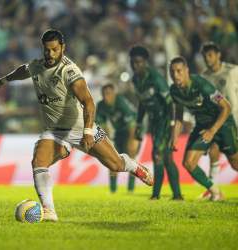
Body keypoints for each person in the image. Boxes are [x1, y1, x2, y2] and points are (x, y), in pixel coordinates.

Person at [0, 29, 153, 222]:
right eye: (46, 50)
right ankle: (49, 210)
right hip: (55, 132)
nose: (50, 54)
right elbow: (24, 70)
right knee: (38, 162)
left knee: (115, 165)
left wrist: (88, 131)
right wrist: (3, 80)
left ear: (63, 48)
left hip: (80, 128)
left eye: (54, 50)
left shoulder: (69, 71)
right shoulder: (37, 66)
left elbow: (89, 102)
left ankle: (134, 166)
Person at [169, 56, 238, 201]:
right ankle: (216, 193)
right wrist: (174, 137)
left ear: (187, 71)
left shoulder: (202, 85)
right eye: (172, 72)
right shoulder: (174, 91)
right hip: (202, 126)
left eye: (179, 71)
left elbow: (226, 107)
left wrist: (212, 131)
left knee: (235, 163)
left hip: (223, 124)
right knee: (188, 163)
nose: (175, 75)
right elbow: (179, 116)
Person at [129, 46, 183, 200]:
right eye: (133, 62)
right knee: (166, 158)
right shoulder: (135, 79)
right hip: (153, 121)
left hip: (165, 119)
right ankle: (177, 195)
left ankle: (155, 195)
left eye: (139, 62)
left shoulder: (155, 78)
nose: (135, 66)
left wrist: (173, 125)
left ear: (145, 62)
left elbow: (170, 103)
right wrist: (139, 123)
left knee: (157, 155)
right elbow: (142, 102)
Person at [200, 42, 238, 185]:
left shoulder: (232, 71)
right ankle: (213, 190)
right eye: (205, 56)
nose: (207, 59)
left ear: (218, 55)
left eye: (210, 55)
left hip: (234, 121)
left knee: (235, 163)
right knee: (213, 151)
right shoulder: (204, 77)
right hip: (217, 122)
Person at [96, 83, 138, 193]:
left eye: (109, 94)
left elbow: (132, 124)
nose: (106, 96)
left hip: (134, 129)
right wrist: (107, 142)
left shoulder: (121, 102)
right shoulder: (101, 106)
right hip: (119, 131)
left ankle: (131, 189)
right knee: (111, 157)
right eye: (104, 94)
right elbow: (102, 127)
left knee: (131, 156)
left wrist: (132, 141)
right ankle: (113, 191)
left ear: (114, 94)